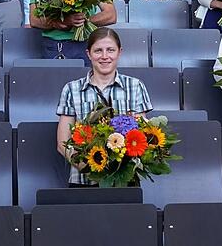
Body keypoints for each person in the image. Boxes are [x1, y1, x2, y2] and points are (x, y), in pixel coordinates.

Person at [56, 28, 153, 187]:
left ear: (119, 52)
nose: (104, 56)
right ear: (88, 54)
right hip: (83, 180)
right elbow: (62, 143)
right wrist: (90, 168)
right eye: (98, 51)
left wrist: (118, 170)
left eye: (110, 50)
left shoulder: (135, 86)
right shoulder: (71, 89)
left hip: (124, 181)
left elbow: (141, 136)